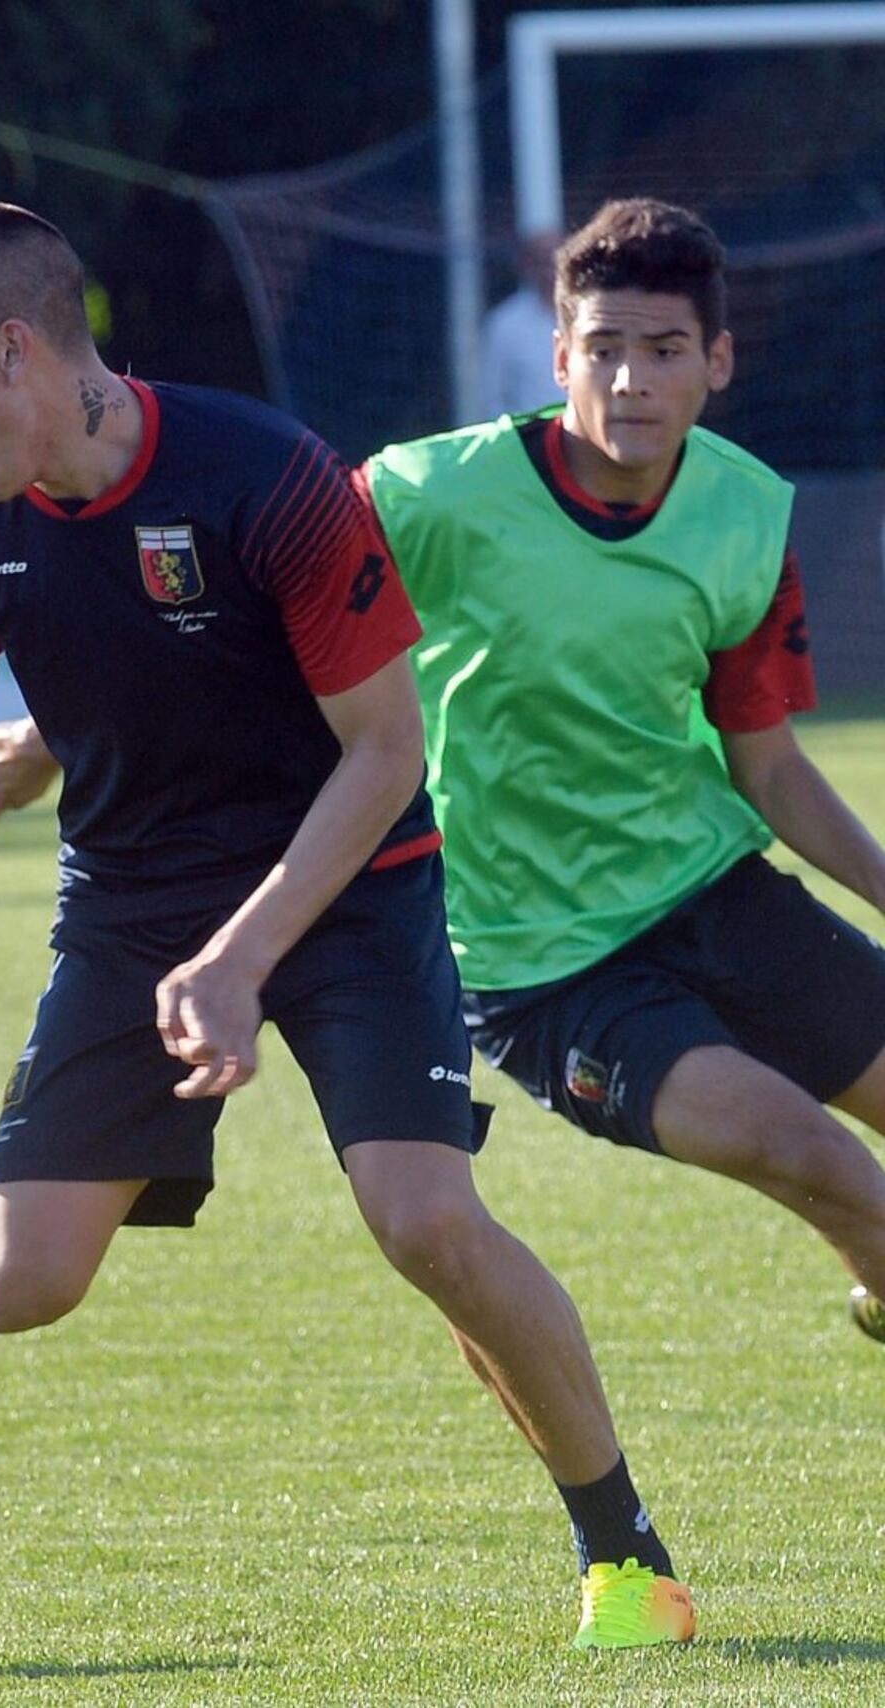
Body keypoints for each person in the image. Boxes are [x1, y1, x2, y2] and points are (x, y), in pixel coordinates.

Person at [0, 202, 695, 1652]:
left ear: (16, 349)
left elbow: (385, 750)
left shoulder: (268, 477)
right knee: (22, 1286)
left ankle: (625, 1559)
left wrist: (243, 956)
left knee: (427, 1220)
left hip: (351, 879)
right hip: (133, 902)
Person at [368, 197, 885, 1355]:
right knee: (819, 1156)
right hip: (545, 964)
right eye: (602, 349)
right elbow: (266, 582)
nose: (630, 380)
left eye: (663, 350)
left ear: (717, 361)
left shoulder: (745, 515)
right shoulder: (434, 494)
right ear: (560, 357)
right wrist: (60, 727)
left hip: (715, 892)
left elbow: (768, 766)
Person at [473, 230, 560, 422]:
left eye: (556, 260)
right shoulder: (505, 324)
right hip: (532, 434)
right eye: (542, 261)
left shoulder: (591, 316)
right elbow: (492, 394)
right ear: (528, 265)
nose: (550, 269)